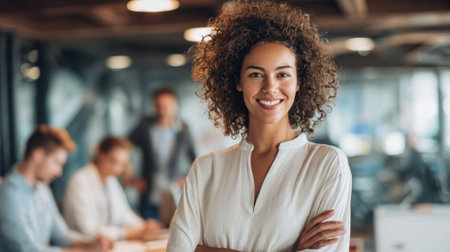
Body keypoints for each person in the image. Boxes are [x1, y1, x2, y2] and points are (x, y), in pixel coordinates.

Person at [167, 1, 352, 252]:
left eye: (282, 74)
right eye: (255, 74)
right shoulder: (206, 169)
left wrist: (205, 249)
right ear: (238, 81)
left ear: (299, 82)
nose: (270, 87)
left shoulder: (327, 164)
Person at [0, 125, 113, 252]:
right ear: (38, 155)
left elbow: (61, 235)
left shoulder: (42, 188)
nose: (59, 172)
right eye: (57, 163)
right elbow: (29, 249)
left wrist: (91, 243)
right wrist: (85, 251)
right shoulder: (8, 194)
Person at [63, 136, 162, 241]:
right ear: (100, 154)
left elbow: (125, 215)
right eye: (113, 161)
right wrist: (127, 233)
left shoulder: (111, 181)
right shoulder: (80, 181)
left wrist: (144, 226)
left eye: (122, 165)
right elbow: (88, 230)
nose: (117, 169)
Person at [129, 86, 196, 220]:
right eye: (159, 105)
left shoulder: (183, 129)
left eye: (167, 105)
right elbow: (124, 147)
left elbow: (195, 159)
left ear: (175, 106)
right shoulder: (145, 127)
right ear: (154, 106)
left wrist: (186, 179)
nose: (163, 109)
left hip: (173, 196)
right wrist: (130, 178)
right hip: (149, 196)